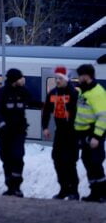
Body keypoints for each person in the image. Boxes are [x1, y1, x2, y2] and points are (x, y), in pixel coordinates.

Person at [0, 68, 40, 198]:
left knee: (17, 157)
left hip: (18, 132)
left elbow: (33, 102)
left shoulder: (23, 92)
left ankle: (17, 187)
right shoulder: (2, 93)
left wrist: (48, 105)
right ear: (14, 79)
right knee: (6, 158)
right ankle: (10, 187)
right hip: (5, 133)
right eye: (20, 78)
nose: (22, 80)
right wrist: (2, 124)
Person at [42, 66, 79, 200]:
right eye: (56, 78)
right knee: (57, 159)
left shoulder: (73, 93)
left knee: (70, 161)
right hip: (60, 131)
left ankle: (73, 190)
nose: (57, 81)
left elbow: (79, 113)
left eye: (60, 78)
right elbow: (46, 110)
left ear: (66, 79)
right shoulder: (53, 93)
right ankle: (63, 188)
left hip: (72, 132)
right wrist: (45, 127)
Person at [75, 64, 106, 202]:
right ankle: (95, 192)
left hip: (94, 134)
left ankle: (102, 194)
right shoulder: (84, 91)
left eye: (80, 75)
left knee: (95, 163)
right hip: (84, 135)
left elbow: (103, 116)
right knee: (88, 161)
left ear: (87, 76)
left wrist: (96, 136)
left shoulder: (97, 93)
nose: (78, 78)